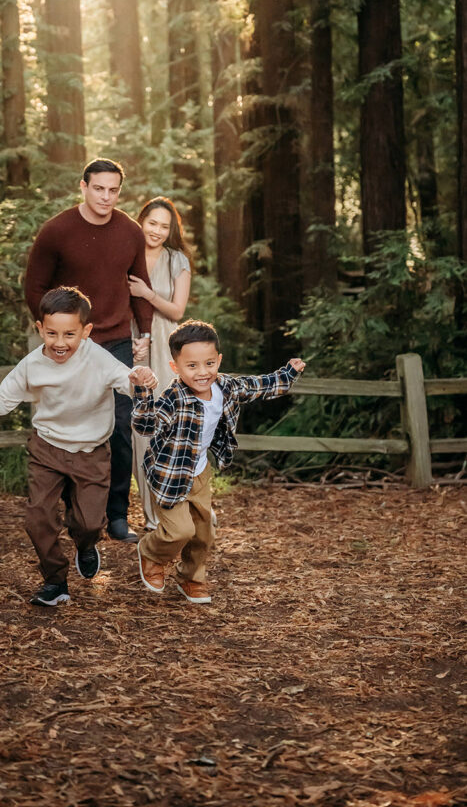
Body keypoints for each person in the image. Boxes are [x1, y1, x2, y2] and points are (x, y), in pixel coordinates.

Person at [0, 286, 157, 607]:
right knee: (37, 519)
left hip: (91, 451)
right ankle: (55, 581)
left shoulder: (97, 357)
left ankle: (85, 542)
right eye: (51, 333)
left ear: (86, 331)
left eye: (69, 334)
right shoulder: (31, 365)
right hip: (47, 448)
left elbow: (126, 379)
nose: (60, 343)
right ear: (40, 329)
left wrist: (140, 377)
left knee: (90, 522)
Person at [132, 319, 306, 605]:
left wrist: (288, 373)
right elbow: (145, 425)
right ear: (175, 367)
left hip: (200, 472)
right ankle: (151, 553)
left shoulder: (225, 386)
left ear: (219, 360)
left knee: (203, 532)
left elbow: (259, 386)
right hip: (169, 474)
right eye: (192, 366)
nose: (202, 373)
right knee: (180, 531)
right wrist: (142, 392)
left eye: (209, 363)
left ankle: (191, 577)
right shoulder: (172, 398)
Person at [24, 158, 153, 543]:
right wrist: (59, 336)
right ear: (83, 186)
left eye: (113, 190)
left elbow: (138, 284)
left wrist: (143, 331)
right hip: (70, 348)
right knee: (66, 425)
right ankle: (72, 510)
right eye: (99, 188)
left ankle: (115, 516)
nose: (106, 197)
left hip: (115, 344)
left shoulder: (130, 231)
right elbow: (35, 287)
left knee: (119, 430)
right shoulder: (57, 231)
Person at [127, 197, 192, 530]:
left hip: (166, 347)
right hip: (134, 345)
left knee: (166, 425)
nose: (156, 231)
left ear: (171, 231)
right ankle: (151, 517)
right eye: (151, 223)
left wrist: (147, 294)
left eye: (164, 226)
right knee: (140, 429)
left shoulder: (176, 260)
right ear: (141, 221)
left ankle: (173, 507)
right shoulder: (127, 255)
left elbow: (178, 311)